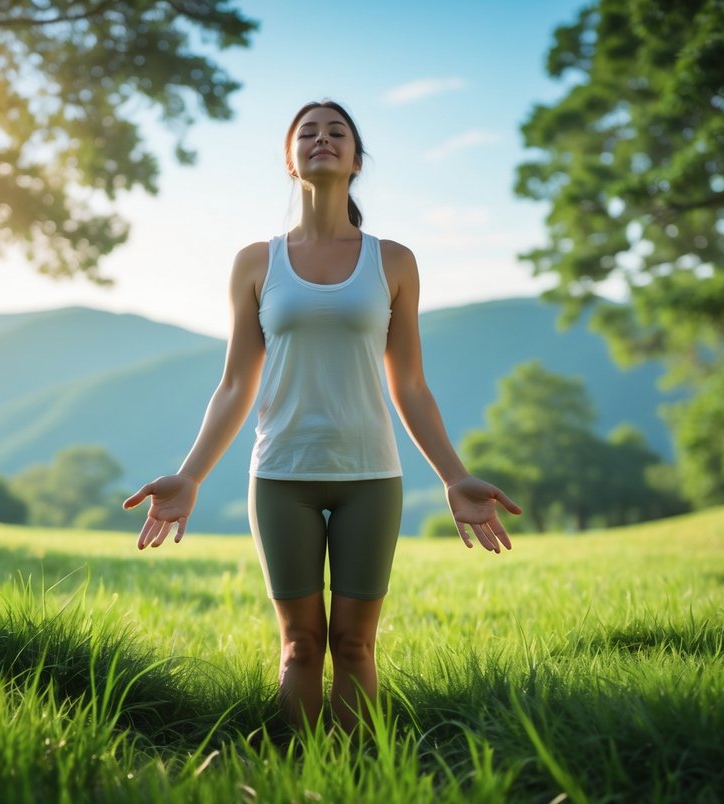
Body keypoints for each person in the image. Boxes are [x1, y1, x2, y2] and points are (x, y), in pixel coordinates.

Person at [123, 99, 522, 733]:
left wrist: (454, 477)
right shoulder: (257, 261)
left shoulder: (393, 261)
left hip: (371, 475)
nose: (322, 139)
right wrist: (190, 476)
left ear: (356, 160)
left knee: (357, 647)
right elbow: (235, 383)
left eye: (337, 132)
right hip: (281, 475)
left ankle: (361, 782)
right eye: (307, 132)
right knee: (301, 645)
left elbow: (410, 383)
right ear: (290, 159)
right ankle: (299, 784)